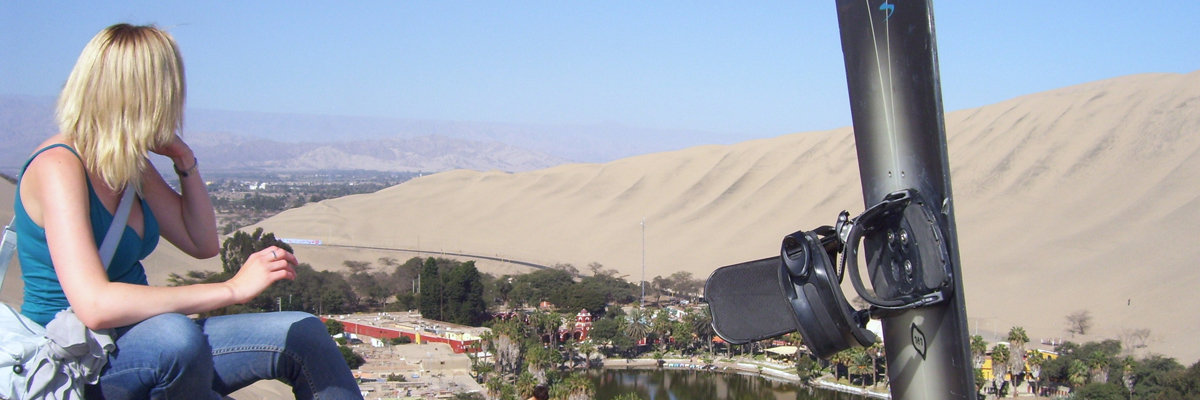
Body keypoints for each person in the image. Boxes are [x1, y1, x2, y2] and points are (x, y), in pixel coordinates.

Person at [12, 23, 363, 399]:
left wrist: (184, 159)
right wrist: (231, 289)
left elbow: (202, 242)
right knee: (175, 338)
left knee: (304, 333)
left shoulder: (130, 165)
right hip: (76, 361)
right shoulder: (58, 167)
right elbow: (95, 306)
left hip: (141, 340)